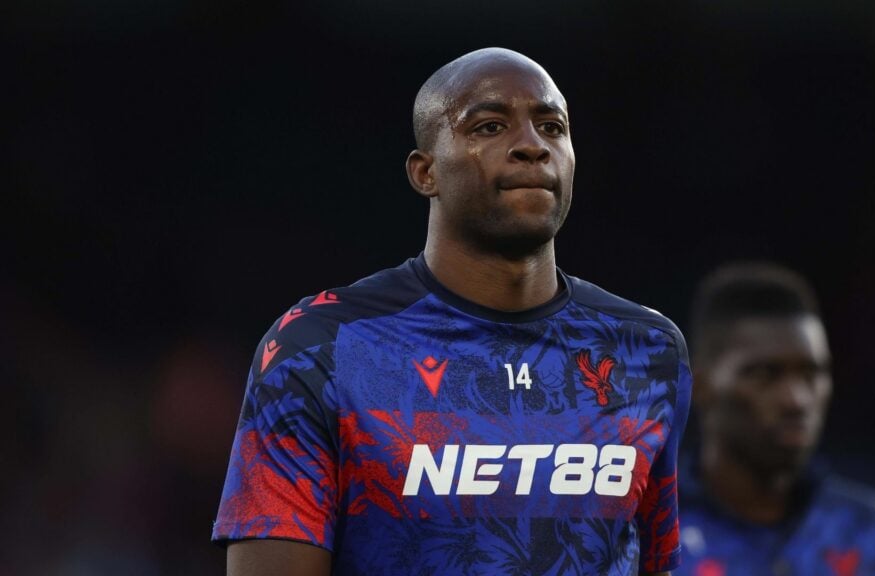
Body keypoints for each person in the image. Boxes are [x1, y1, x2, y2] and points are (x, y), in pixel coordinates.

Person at [212, 47, 692, 576]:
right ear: (426, 172)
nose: (532, 146)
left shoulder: (646, 350)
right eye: (490, 127)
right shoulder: (322, 348)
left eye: (552, 127)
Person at [672, 263, 875, 576]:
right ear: (700, 385)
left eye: (812, 374)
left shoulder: (865, 531)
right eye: (765, 374)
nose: (797, 400)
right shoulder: (650, 532)